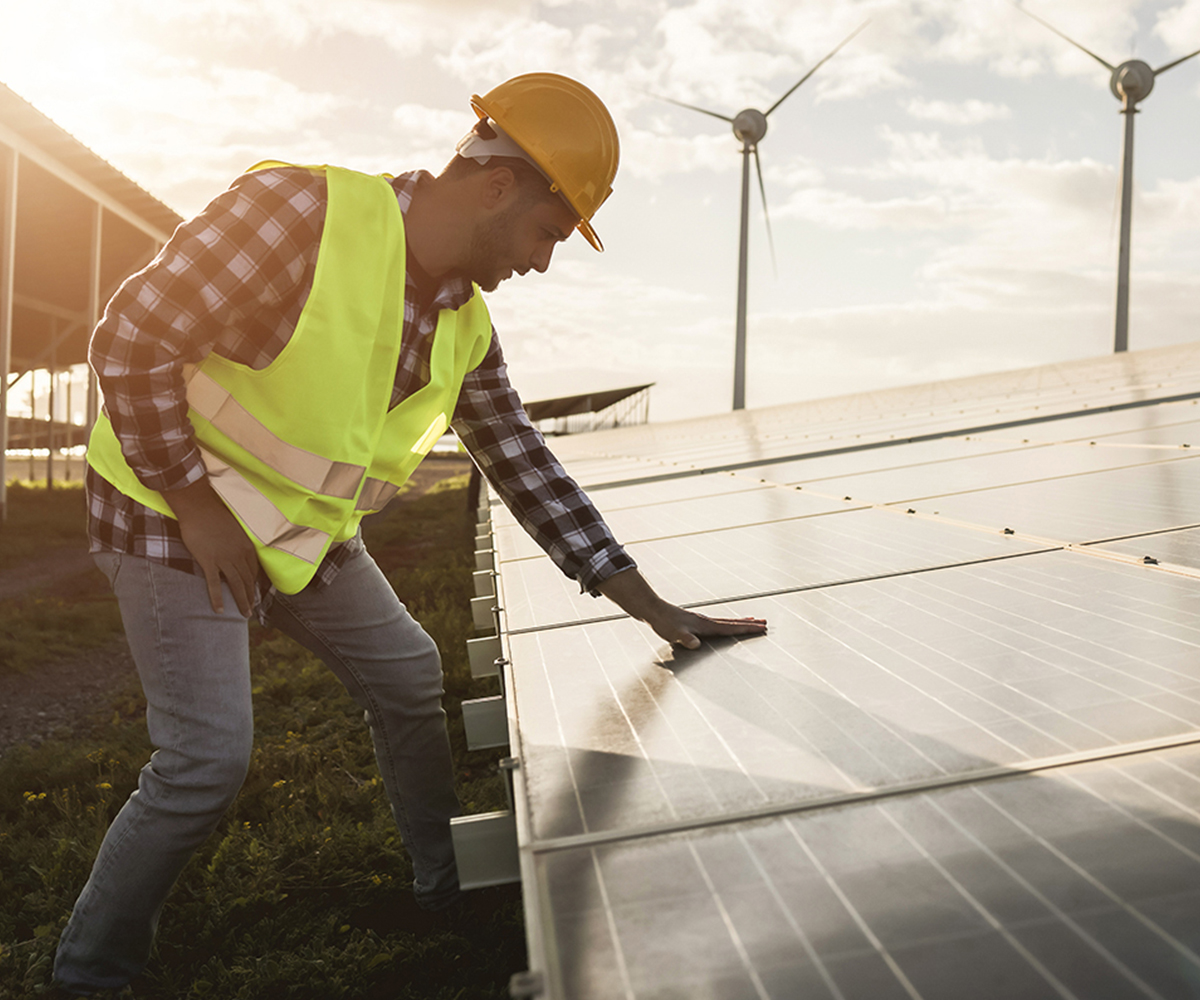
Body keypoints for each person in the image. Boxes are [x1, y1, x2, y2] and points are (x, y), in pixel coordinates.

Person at [52, 72, 767, 995]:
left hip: (295, 534)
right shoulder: (299, 216)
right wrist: (194, 505)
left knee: (408, 670)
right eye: (550, 234)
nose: (544, 263)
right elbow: (129, 341)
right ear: (501, 185)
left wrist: (648, 604)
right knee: (205, 762)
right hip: (164, 506)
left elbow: (522, 462)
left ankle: (444, 887)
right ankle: (87, 975)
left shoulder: (465, 326)